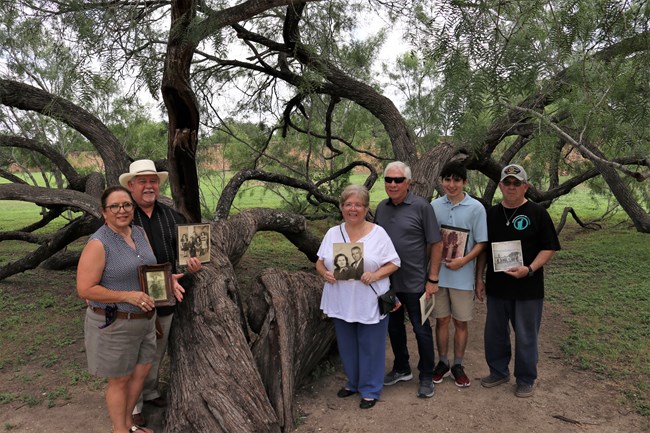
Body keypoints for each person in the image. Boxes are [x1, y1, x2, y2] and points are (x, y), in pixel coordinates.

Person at [76, 186, 186, 433]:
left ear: (133, 208)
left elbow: (147, 270)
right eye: (114, 206)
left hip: (145, 320)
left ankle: (127, 424)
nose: (121, 210)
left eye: (126, 205)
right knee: (120, 380)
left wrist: (167, 281)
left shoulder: (138, 233)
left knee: (141, 372)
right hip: (115, 322)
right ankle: (120, 430)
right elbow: (85, 289)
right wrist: (127, 295)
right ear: (104, 213)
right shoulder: (98, 244)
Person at [119, 160, 202, 426]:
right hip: (133, 300)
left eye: (153, 181)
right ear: (131, 186)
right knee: (134, 353)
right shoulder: (124, 217)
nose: (149, 186)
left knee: (157, 350)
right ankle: (133, 407)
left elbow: (182, 256)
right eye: (142, 181)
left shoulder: (172, 217)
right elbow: (118, 260)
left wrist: (190, 268)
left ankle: (150, 391)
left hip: (166, 297)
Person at [476, 164, 561, 398]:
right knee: (494, 333)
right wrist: (479, 279)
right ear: (501, 185)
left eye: (517, 183)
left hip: (528, 286)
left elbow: (549, 247)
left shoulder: (537, 213)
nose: (511, 187)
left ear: (526, 186)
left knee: (525, 335)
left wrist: (530, 268)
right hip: (497, 286)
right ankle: (498, 371)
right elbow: (483, 249)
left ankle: (525, 378)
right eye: (507, 183)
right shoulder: (492, 214)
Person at [316, 185, 400, 409]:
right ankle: (353, 382)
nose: (353, 209)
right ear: (342, 207)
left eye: (358, 205)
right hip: (341, 297)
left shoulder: (378, 233)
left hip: (369, 299)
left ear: (366, 208)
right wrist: (324, 272)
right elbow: (320, 261)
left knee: (371, 344)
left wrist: (375, 275)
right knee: (347, 344)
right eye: (348, 204)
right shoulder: (333, 233)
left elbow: (394, 263)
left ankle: (370, 389)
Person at [374, 161, 443, 398]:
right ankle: (402, 368)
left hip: (416, 282)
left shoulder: (422, 207)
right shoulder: (381, 208)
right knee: (394, 328)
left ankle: (426, 375)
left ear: (408, 183)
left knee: (421, 329)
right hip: (387, 283)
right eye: (388, 180)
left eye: (398, 180)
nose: (392, 184)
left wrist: (432, 278)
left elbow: (436, 243)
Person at [430, 162, 488, 388]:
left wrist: (464, 261)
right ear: (442, 181)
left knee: (461, 322)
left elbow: (482, 241)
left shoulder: (476, 208)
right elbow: (430, 241)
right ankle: (443, 362)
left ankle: (458, 364)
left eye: (456, 180)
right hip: (438, 275)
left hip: (463, 277)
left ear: (465, 182)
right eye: (447, 179)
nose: (451, 185)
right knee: (441, 320)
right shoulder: (434, 206)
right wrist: (429, 274)